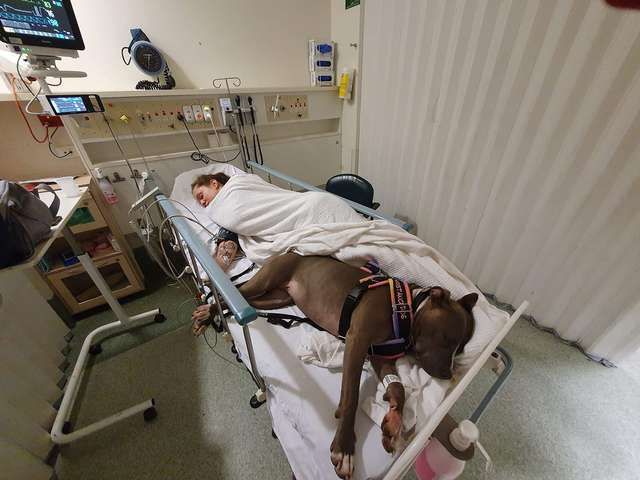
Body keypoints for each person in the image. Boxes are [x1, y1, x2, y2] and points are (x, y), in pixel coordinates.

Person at [190, 173, 241, 334]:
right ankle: (214, 305)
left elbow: (227, 246)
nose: (202, 203)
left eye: (201, 196)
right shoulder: (223, 215)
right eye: (199, 202)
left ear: (214, 184)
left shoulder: (236, 193)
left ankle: (214, 305)